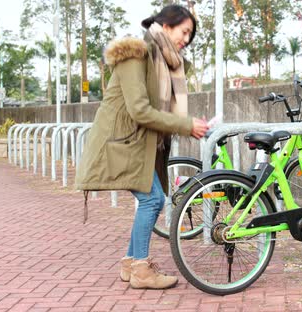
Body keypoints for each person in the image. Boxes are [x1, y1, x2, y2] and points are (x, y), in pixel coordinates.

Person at [75, 4, 209, 290]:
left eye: (190, 35)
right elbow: (139, 110)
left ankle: (130, 263)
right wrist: (186, 125)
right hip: (121, 143)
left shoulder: (165, 60)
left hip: (141, 144)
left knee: (152, 199)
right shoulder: (136, 54)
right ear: (167, 24)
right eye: (184, 31)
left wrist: (187, 124)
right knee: (152, 200)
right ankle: (141, 269)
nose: (186, 39)